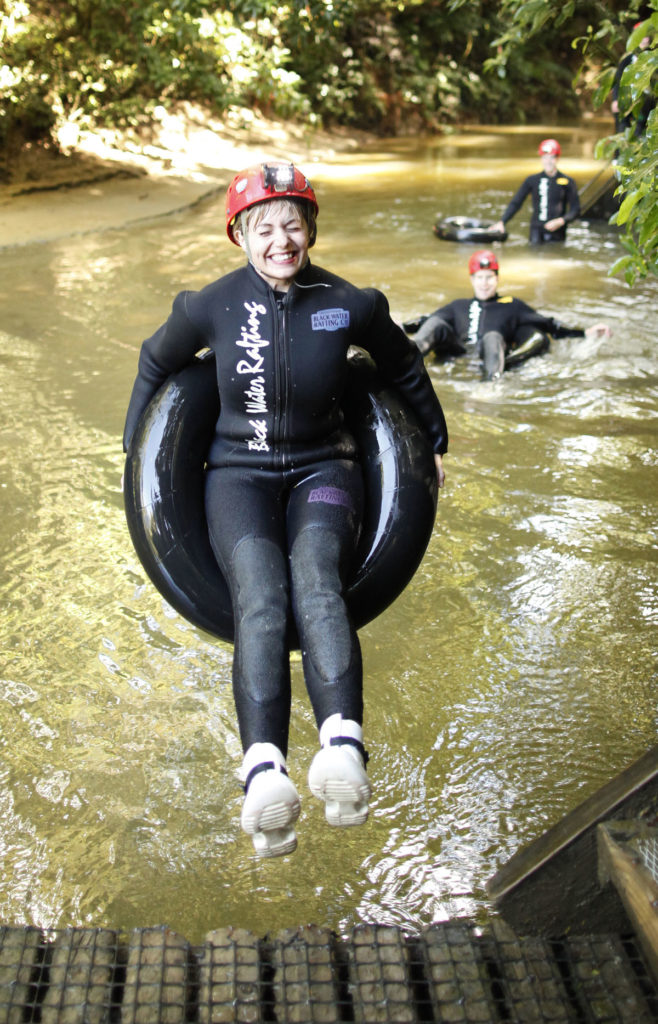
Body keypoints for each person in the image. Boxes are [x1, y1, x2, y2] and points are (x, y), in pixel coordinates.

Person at [123, 160, 448, 859]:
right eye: (264, 226)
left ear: (311, 228)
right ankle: (265, 772)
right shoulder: (207, 305)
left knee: (317, 576)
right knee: (262, 598)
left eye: (293, 224)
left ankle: (342, 751)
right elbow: (153, 363)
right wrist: (133, 459)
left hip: (324, 469)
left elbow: (403, 366)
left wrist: (438, 444)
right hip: (235, 476)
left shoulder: (349, 303)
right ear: (239, 233)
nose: (281, 239)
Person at [405, 249, 611, 379]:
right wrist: (401, 327)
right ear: (472, 279)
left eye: (489, 278)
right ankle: (404, 362)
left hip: (490, 356)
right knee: (437, 323)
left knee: (492, 336)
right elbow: (427, 321)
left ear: (497, 279)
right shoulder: (459, 305)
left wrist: (584, 333)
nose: (484, 283)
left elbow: (548, 324)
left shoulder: (512, 306)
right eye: (480, 278)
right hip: (458, 352)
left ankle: (491, 386)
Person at [490, 139, 580, 244]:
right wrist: (502, 222)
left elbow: (576, 210)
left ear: (557, 158)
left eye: (552, 157)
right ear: (541, 158)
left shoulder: (568, 182)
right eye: (545, 157)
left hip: (557, 234)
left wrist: (561, 221)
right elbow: (516, 203)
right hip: (536, 233)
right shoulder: (532, 180)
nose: (548, 161)